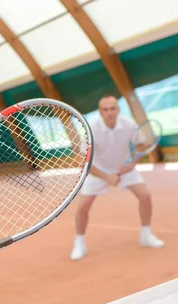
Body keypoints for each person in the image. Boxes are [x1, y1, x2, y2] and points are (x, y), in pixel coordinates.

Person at [70, 95, 165, 261]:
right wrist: (106, 176)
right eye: (105, 109)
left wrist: (132, 164)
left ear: (118, 109)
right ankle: (79, 243)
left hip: (124, 168)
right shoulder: (91, 128)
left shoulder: (128, 124)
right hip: (97, 171)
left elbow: (141, 146)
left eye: (112, 108)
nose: (109, 112)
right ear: (100, 111)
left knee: (145, 196)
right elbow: (83, 161)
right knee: (83, 207)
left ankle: (146, 235)